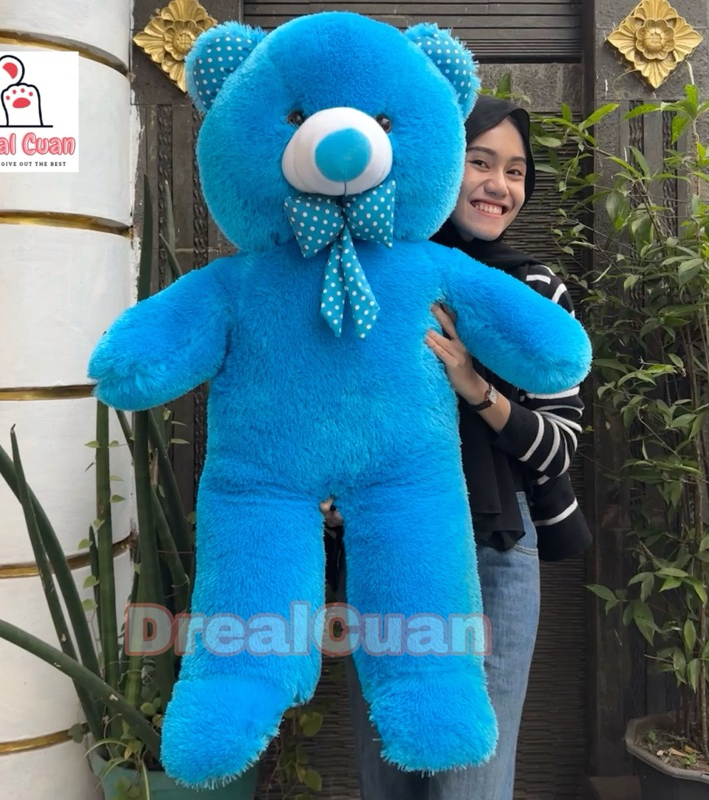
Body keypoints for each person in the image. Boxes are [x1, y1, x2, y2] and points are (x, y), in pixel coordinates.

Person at [321, 95, 591, 799]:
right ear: (442, 164)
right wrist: (328, 493)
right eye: (480, 162)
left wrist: (475, 385)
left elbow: (558, 448)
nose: (499, 185)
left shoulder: (535, 290)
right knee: (388, 770)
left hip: (495, 552)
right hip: (387, 545)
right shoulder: (370, 275)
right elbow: (329, 408)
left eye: (515, 171)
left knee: (473, 777)